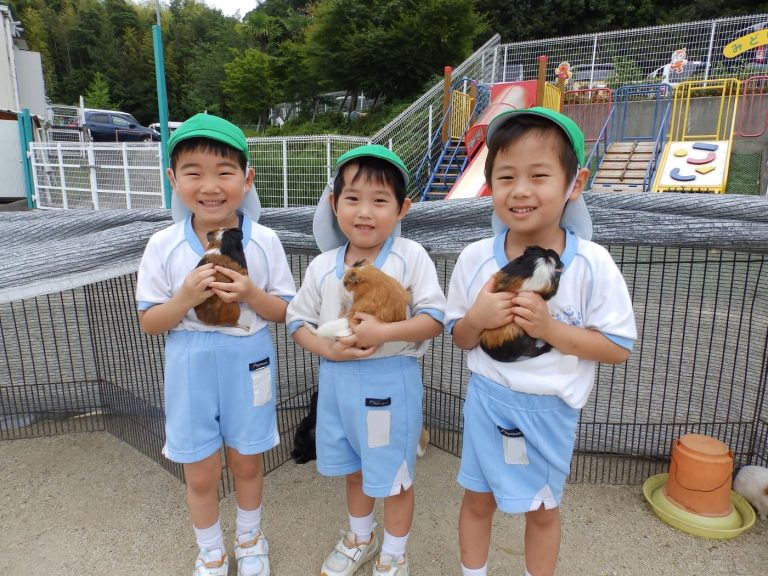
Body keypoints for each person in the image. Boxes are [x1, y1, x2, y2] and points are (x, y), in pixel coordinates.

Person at [445, 107, 636, 576]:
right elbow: (460, 338)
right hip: (487, 401)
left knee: (543, 510)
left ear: (575, 182)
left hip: (550, 412)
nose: (521, 189)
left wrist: (551, 330)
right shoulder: (473, 260)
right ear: (490, 184)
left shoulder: (593, 264)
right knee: (477, 498)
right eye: (506, 176)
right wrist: (477, 315)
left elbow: (617, 347)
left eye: (539, 175)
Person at [135, 113, 296, 576]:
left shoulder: (265, 241)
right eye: (193, 172)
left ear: (247, 178)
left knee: (247, 461)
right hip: (190, 361)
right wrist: (184, 297)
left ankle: (249, 538)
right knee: (200, 470)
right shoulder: (163, 245)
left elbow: (286, 310)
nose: (210, 185)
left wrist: (251, 295)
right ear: (173, 179)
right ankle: (210, 550)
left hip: (250, 359)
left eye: (225, 171)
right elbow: (150, 321)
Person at [286, 145, 446, 576]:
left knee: (393, 475)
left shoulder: (411, 258)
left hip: (390, 381)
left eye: (380, 201)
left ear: (402, 208)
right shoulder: (322, 266)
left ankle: (395, 553)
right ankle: (361, 536)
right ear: (334, 203)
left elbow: (433, 319)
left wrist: (384, 333)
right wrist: (327, 349)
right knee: (353, 467)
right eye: (353, 199)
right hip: (337, 380)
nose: (365, 212)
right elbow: (295, 321)